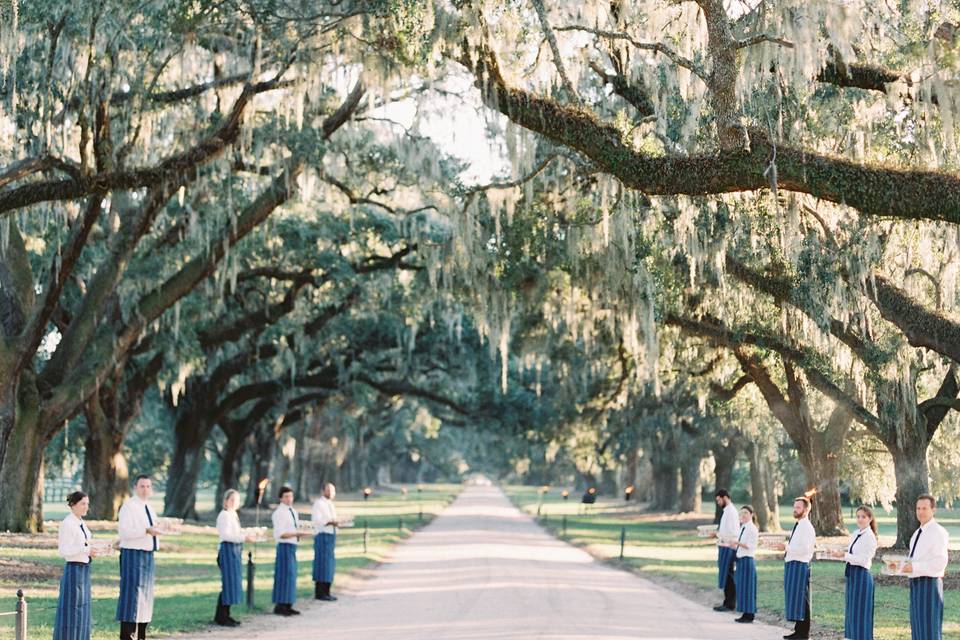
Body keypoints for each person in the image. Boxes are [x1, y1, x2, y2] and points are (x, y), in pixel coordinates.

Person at [896, 495, 949, 640]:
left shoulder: (938, 532)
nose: (920, 512)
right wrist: (900, 565)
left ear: (933, 510)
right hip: (916, 584)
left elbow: (940, 562)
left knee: (929, 630)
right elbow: (915, 559)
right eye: (918, 508)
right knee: (918, 629)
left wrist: (914, 567)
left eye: (925, 508)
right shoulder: (917, 533)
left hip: (929, 586)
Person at [117, 474, 163, 640]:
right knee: (132, 596)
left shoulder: (149, 507)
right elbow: (124, 532)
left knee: (146, 597)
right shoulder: (129, 506)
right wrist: (145, 530)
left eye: (148, 486)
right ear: (135, 488)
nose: (145, 490)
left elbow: (153, 529)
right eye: (142, 486)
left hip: (147, 555)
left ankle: (142, 635)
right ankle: (128, 636)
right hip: (133, 554)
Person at [54, 491, 101, 640]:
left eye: (87, 504)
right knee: (72, 610)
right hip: (74, 570)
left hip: (84, 569)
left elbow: (84, 544)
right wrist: (86, 550)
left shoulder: (80, 522)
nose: (86, 507)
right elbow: (64, 550)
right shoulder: (68, 523)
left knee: (83, 609)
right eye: (83, 504)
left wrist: (94, 548)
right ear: (73, 505)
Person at [830, 505, 877, 640]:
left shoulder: (870, 537)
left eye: (863, 517)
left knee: (861, 613)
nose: (860, 519)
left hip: (862, 576)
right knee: (851, 611)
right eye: (858, 517)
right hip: (852, 575)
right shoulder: (856, 533)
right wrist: (837, 553)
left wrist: (844, 556)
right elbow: (850, 551)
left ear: (870, 518)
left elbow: (863, 560)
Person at [215, 489, 254, 626]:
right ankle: (222, 616)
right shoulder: (224, 515)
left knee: (232, 583)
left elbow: (235, 533)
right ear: (225, 501)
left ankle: (226, 613)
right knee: (228, 583)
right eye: (231, 500)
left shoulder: (233, 515)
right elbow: (226, 536)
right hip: (226, 551)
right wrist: (244, 537)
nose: (234, 503)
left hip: (235, 551)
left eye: (236, 500)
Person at [779, 496, 815, 640]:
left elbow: (805, 550)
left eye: (798, 507)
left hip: (800, 565)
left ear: (806, 510)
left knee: (802, 598)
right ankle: (798, 630)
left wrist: (786, 547)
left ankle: (803, 633)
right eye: (794, 507)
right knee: (795, 597)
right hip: (792, 563)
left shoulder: (806, 527)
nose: (795, 510)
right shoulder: (799, 524)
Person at [272, 486, 304, 616]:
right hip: (284, 545)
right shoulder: (279, 513)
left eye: (290, 496)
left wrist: (300, 534)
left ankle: (289, 603)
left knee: (291, 575)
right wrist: (296, 534)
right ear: (280, 498)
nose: (289, 499)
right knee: (284, 575)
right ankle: (281, 605)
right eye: (286, 496)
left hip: (292, 545)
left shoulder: (293, 511)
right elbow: (280, 533)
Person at [312, 482, 342, 601]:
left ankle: (327, 590)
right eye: (329, 490)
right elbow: (317, 520)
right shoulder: (319, 504)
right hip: (322, 535)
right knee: (322, 563)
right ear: (323, 491)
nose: (331, 493)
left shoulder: (330, 504)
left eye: (333, 491)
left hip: (331, 535)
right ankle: (320, 592)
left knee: (329, 564)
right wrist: (331, 522)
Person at [729, 505, 759, 624]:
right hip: (741, 560)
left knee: (748, 588)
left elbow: (750, 546)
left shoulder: (752, 528)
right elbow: (741, 544)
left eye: (745, 513)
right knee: (742, 587)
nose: (743, 515)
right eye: (741, 513)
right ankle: (744, 612)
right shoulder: (743, 527)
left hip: (747, 560)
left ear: (751, 514)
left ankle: (749, 614)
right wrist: (735, 545)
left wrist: (737, 543)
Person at [712, 489, 740, 612]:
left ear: (724, 497)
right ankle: (727, 601)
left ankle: (730, 603)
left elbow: (732, 532)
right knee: (726, 574)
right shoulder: (726, 511)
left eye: (718, 500)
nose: (718, 502)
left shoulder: (731, 512)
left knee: (729, 575)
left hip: (729, 547)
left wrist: (718, 535)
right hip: (724, 545)